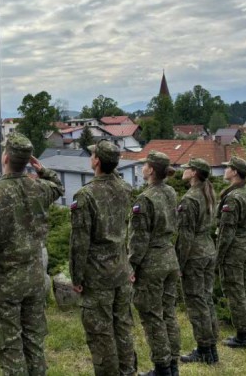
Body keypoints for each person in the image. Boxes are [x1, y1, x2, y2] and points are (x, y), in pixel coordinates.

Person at [0, 133, 64, 376]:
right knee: (34, 342)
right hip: (34, 280)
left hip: (5, 284)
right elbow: (58, 187)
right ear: (27, 160)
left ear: (6, 157)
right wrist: (42, 169)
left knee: (9, 346)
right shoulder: (39, 188)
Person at [70, 139, 137, 376]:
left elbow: (79, 243)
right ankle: (128, 371)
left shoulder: (85, 195)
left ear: (96, 160)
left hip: (98, 275)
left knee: (101, 334)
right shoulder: (125, 188)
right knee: (123, 326)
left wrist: (76, 277)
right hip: (121, 268)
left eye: (93, 155)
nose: (91, 158)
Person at [130, 151, 181, 376]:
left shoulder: (145, 199)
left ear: (151, 170)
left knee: (152, 315)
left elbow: (139, 239)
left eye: (145, 165)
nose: (142, 167)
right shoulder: (170, 191)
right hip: (170, 257)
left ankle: (162, 367)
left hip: (152, 262)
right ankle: (173, 365)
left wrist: (132, 265)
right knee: (168, 313)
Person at [176, 158, 219, 365]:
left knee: (196, 302)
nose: (183, 171)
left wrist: (180, 264)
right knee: (206, 299)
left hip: (194, 254)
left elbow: (185, 237)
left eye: (186, 168)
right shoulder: (207, 193)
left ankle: (203, 349)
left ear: (194, 173)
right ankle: (211, 348)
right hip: (208, 249)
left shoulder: (190, 199)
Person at [216, 155, 246, 350]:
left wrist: (219, 256)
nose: (225, 170)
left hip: (235, 247)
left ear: (234, 172)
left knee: (235, 290)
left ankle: (243, 335)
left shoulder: (233, 197)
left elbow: (226, 232)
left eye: (228, 168)